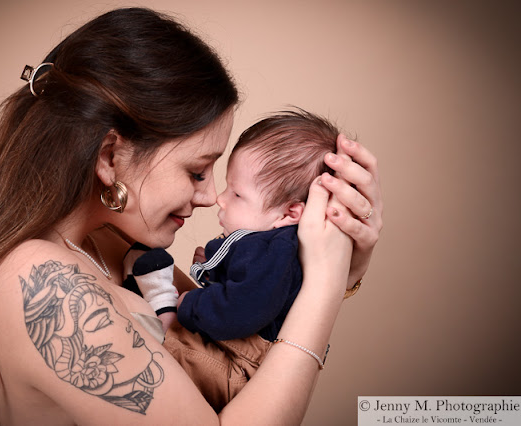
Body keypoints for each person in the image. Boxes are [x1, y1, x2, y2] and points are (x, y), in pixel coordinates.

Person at [0, 7, 383, 425]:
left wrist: (341, 271)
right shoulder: (43, 282)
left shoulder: (106, 244)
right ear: (109, 156)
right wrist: (324, 283)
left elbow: (237, 355)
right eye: (197, 171)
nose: (211, 197)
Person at [122, 109, 353, 410]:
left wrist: (190, 305)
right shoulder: (271, 244)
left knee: (166, 353)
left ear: (289, 213)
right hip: (241, 353)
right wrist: (215, 267)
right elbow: (251, 288)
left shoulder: (273, 250)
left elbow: (242, 309)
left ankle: (158, 322)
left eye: (237, 194)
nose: (219, 197)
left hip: (243, 367)